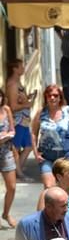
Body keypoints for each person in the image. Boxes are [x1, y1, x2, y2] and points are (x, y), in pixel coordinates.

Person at [31, 85, 69, 188]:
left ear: (60, 97)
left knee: (65, 187)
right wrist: (35, 153)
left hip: (66, 156)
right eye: (49, 95)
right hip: (47, 157)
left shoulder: (68, 111)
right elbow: (33, 133)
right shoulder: (41, 113)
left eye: (55, 95)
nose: (52, 98)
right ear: (46, 97)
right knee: (49, 186)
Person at [5, 59, 35, 182]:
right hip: (18, 121)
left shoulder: (18, 82)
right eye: (21, 66)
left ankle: (18, 170)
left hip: (24, 121)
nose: (23, 68)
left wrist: (27, 98)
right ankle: (18, 173)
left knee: (28, 146)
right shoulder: (12, 84)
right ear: (15, 69)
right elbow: (13, 106)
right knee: (16, 148)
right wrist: (27, 104)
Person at [0, 89, 18, 228]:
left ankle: (6, 213)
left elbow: (12, 129)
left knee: (11, 187)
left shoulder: (6, 109)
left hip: (6, 152)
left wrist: (8, 135)